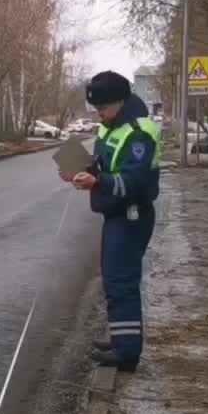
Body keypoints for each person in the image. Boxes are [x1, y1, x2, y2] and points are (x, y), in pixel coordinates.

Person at [68, 71, 163, 372]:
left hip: (132, 214)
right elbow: (105, 164)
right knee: (113, 278)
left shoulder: (139, 132)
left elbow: (134, 181)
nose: (99, 114)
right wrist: (80, 169)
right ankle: (122, 339)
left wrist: (97, 183)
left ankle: (127, 353)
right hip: (116, 215)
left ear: (120, 102)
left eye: (103, 108)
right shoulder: (112, 126)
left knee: (122, 281)